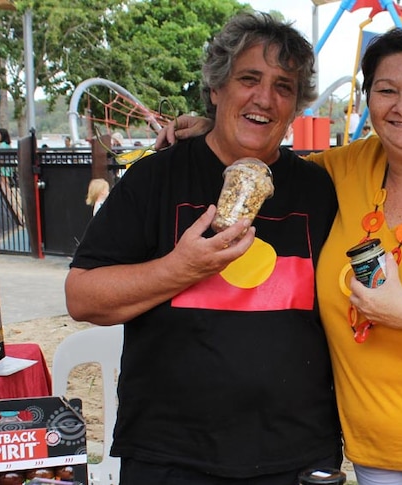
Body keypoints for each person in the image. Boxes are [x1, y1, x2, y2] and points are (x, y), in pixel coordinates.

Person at [160, 27, 402, 485]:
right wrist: (220, 128)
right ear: (369, 100)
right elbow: (271, 162)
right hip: (373, 443)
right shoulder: (343, 168)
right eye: (386, 90)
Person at [64, 12, 341, 485]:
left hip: (296, 456)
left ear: (296, 106)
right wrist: (180, 268)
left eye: (283, 86)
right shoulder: (155, 179)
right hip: (170, 457)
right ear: (216, 89)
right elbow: (83, 298)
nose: (264, 99)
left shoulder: (321, 189)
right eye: (248, 79)